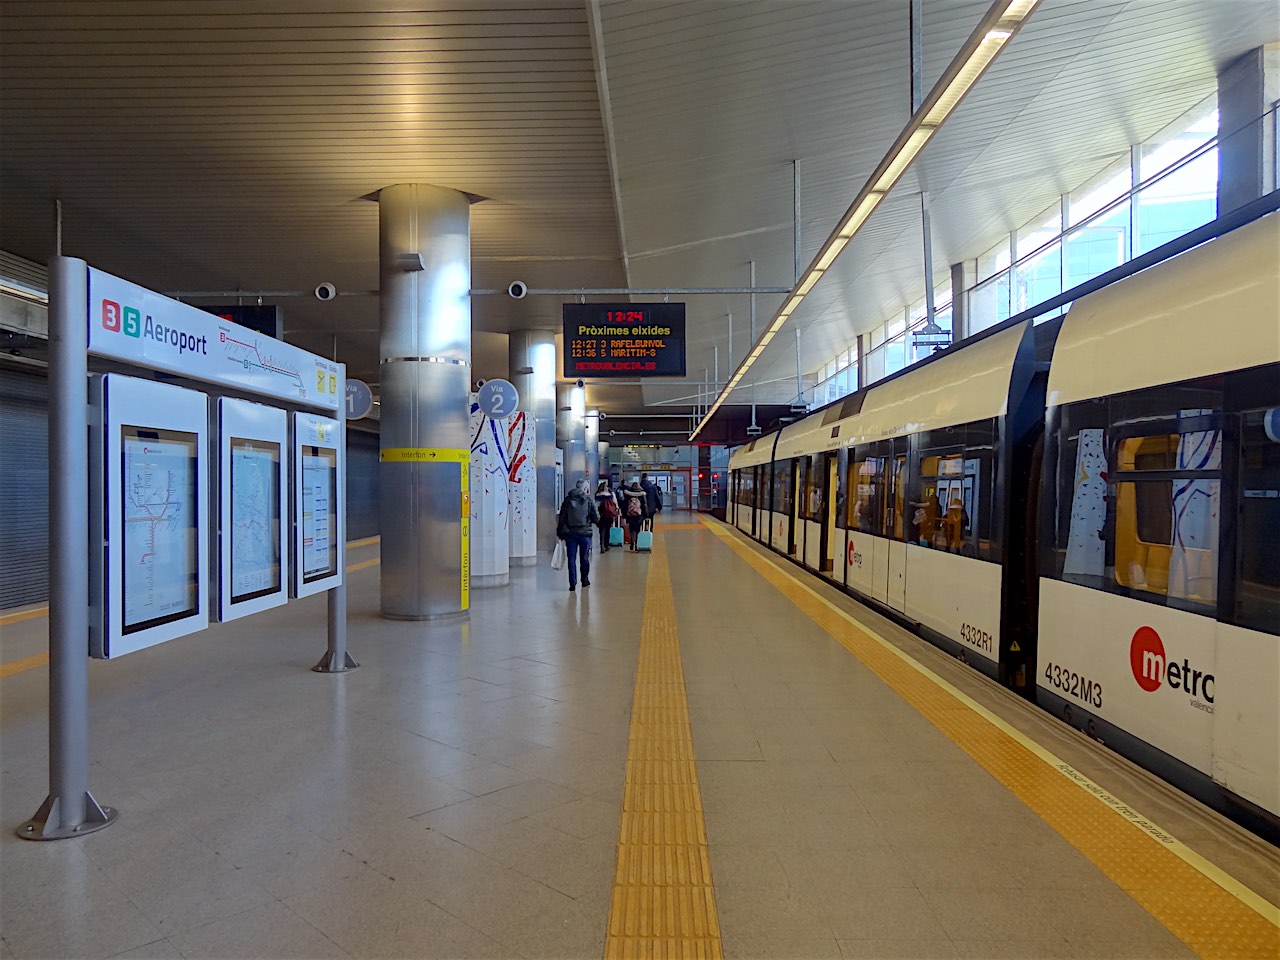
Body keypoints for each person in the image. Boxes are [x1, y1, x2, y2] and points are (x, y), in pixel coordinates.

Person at [557, 479, 599, 591]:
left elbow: (562, 517)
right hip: (585, 534)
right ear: (585, 489)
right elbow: (596, 518)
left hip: (570, 534)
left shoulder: (567, 500)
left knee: (571, 558)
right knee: (584, 558)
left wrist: (560, 533)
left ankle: (572, 583)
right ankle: (584, 580)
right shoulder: (589, 500)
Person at [622, 481, 648, 552]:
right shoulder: (642, 494)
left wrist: (624, 515)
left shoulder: (628, 494)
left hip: (630, 515)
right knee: (638, 530)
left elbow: (624, 505)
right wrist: (646, 515)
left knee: (631, 529)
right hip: (639, 515)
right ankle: (637, 543)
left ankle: (631, 541)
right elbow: (644, 505)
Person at [595, 479, 619, 552]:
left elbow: (596, 505)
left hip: (600, 514)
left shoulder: (597, 494)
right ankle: (606, 545)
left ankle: (601, 545)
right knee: (607, 530)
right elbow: (615, 504)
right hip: (609, 515)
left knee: (601, 530)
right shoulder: (611, 494)